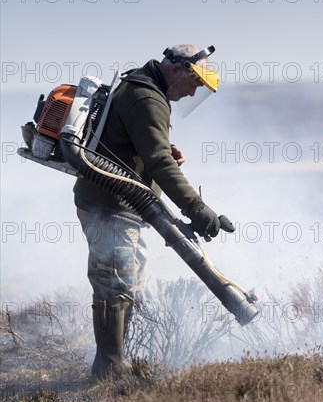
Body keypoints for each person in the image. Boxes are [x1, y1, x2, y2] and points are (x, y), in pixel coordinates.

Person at [74, 44, 230, 379]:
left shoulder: (144, 85)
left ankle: (113, 362)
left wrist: (159, 151)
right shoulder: (148, 99)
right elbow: (159, 163)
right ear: (176, 70)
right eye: (194, 84)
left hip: (121, 205)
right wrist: (198, 209)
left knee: (127, 282)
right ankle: (108, 372)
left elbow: (140, 145)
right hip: (109, 207)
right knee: (113, 286)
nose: (193, 93)